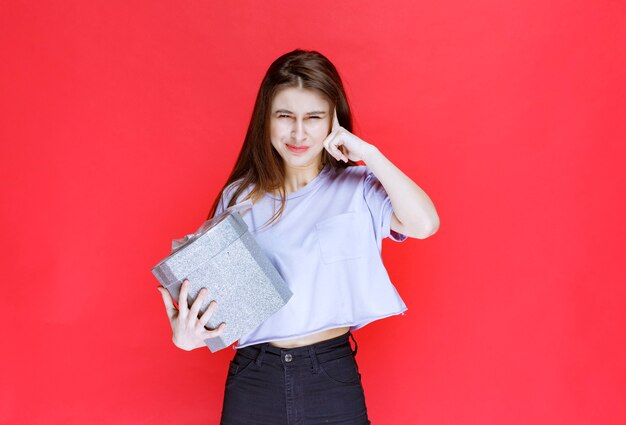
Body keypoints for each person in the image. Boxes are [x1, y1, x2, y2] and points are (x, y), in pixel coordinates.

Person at [157, 49, 439, 424]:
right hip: (254, 375)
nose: (299, 133)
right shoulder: (240, 197)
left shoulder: (360, 188)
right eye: (285, 116)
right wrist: (189, 336)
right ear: (266, 120)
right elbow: (217, 305)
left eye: (314, 118)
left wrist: (367, 153)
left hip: (330, 376)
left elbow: (424, 224)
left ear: (333, 122)